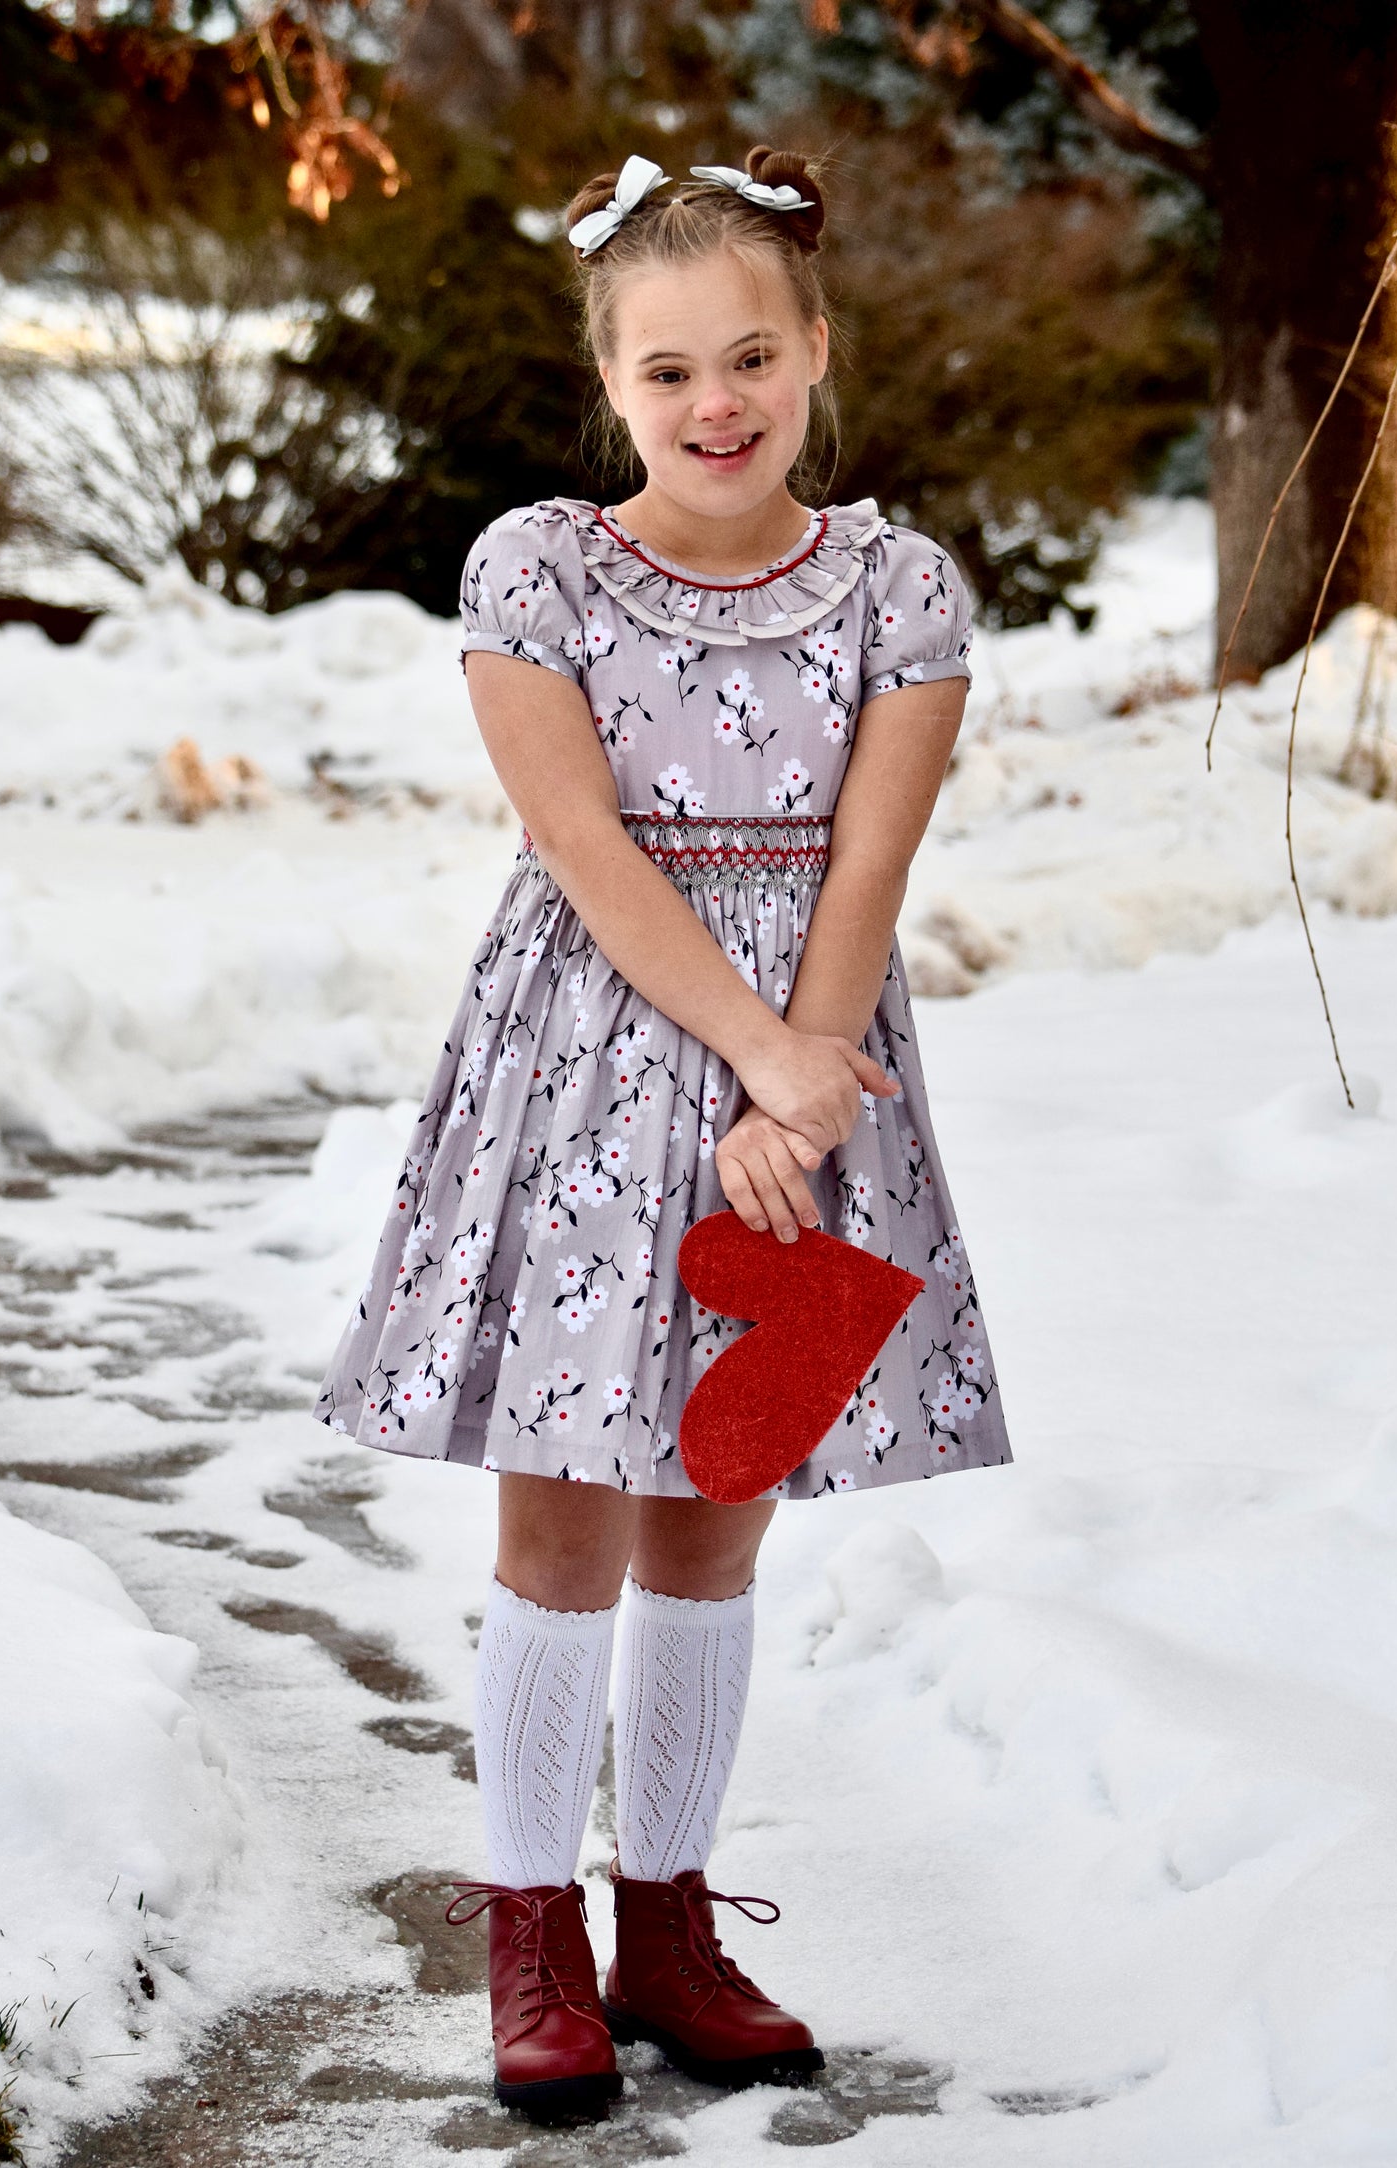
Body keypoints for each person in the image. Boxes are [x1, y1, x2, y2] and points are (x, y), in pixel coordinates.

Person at [315, 145, 1012, 2126]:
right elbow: (585, 846)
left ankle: (670, 1926)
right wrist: (753, 1060)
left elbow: (870, 848)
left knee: (719, 1502)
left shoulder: (897, 585)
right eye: (669, 374)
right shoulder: (539, 570)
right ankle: (528, 1933)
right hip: (592, 1064)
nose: (718, 408)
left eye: (752, 360)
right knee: (563, 1516)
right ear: (611, 386)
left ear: (814, 353)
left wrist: (806, 1068)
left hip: (818, 1068)